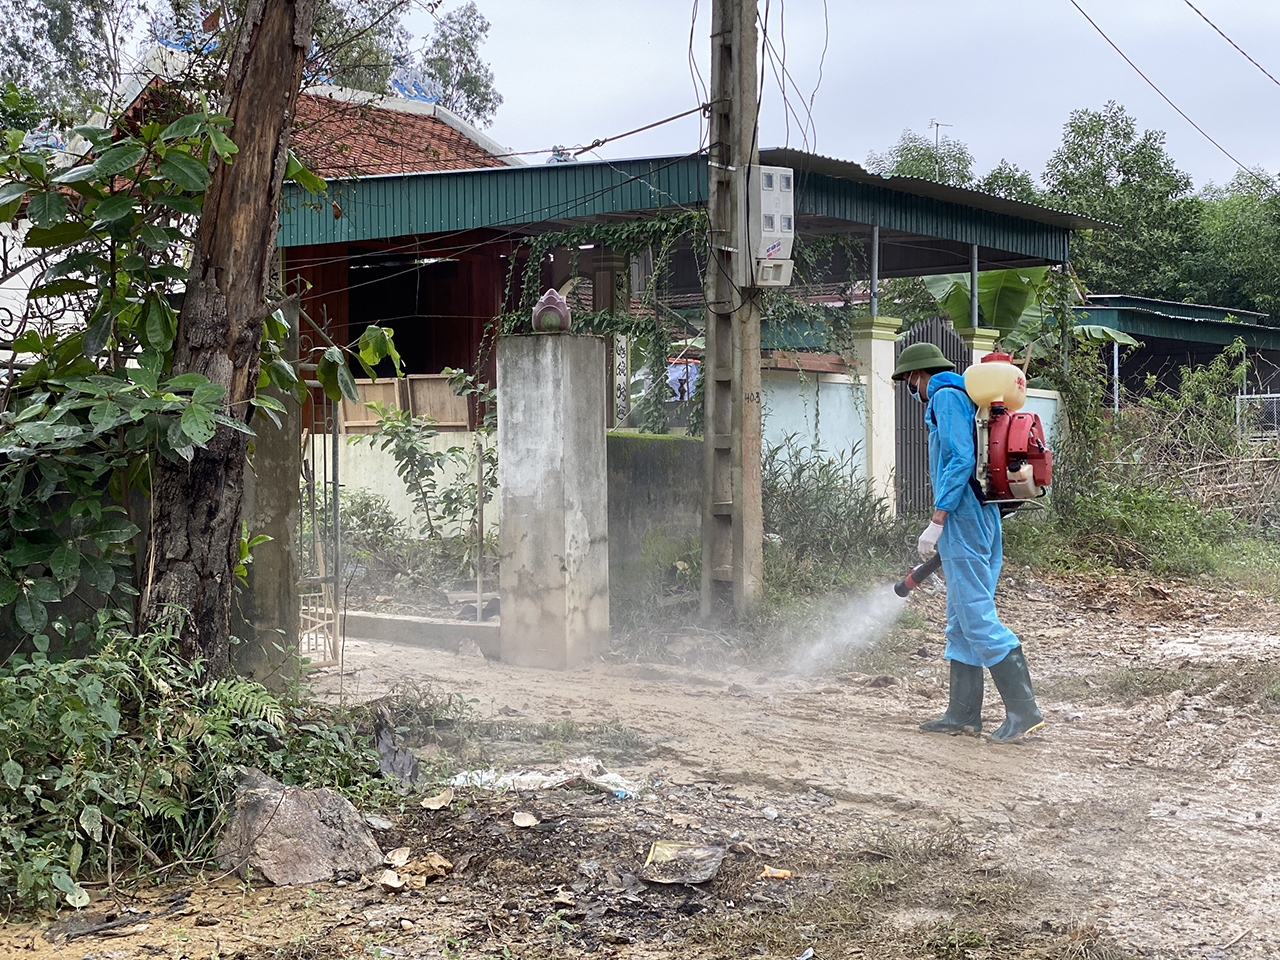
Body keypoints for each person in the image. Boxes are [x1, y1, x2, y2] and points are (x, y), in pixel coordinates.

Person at [891, 342, 1044, 743]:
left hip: (963, 515)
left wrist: (938, 520)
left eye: (909, 382)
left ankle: (1024, 711)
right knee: (961, 618)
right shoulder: (968, 397)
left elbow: (959, 459)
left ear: (917, 376)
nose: (911, 389)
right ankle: (962, 713)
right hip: (985, 513)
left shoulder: (943, 396)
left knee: (975, 615)